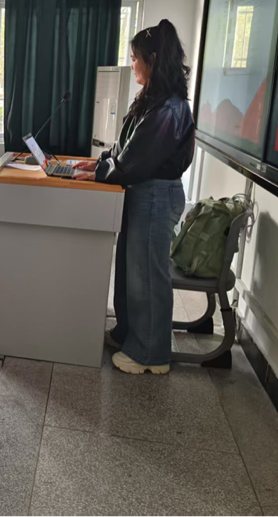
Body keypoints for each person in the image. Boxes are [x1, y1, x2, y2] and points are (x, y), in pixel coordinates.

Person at [73, 20, 195, 375]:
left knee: (148, 277)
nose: (132, 65)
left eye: (135, 58)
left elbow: (134, 160)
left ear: (153, 60)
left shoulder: (169, 108)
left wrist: (99, 172)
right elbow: (126, 146)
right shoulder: (154, 100)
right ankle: (130, 334)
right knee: (132, 271)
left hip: (156, 196)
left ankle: (150, 355)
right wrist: (98, 162)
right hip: (144, 193)